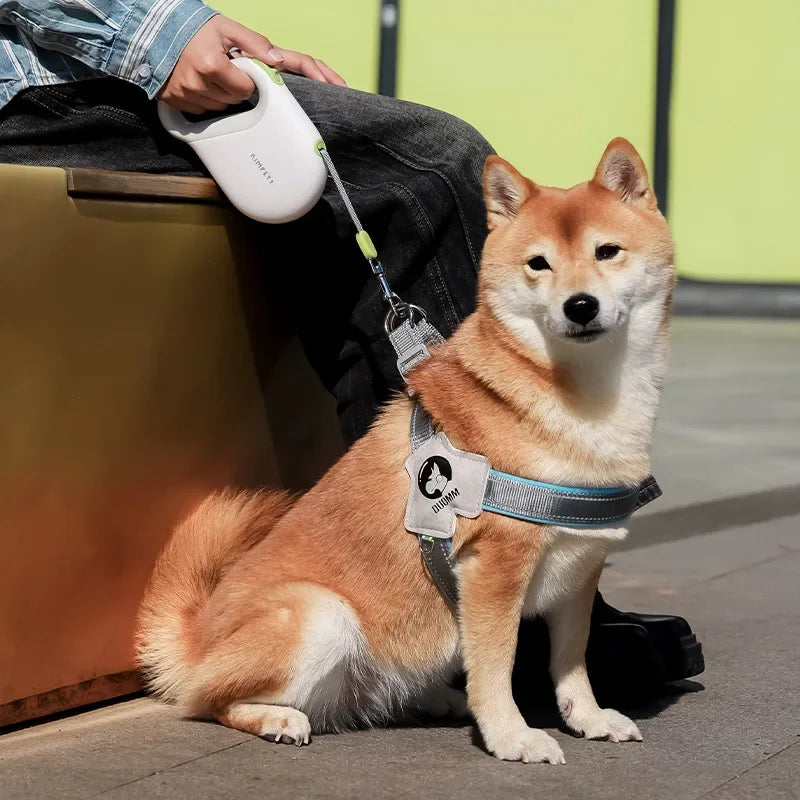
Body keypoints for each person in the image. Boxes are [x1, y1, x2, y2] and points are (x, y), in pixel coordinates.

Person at [0, 1, 702, 698]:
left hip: (85, 67)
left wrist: (205, 39)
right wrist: (161, 36)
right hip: (34, 90)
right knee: (431, 166)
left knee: (355, 185)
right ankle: (506, 612)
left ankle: (516, 580)